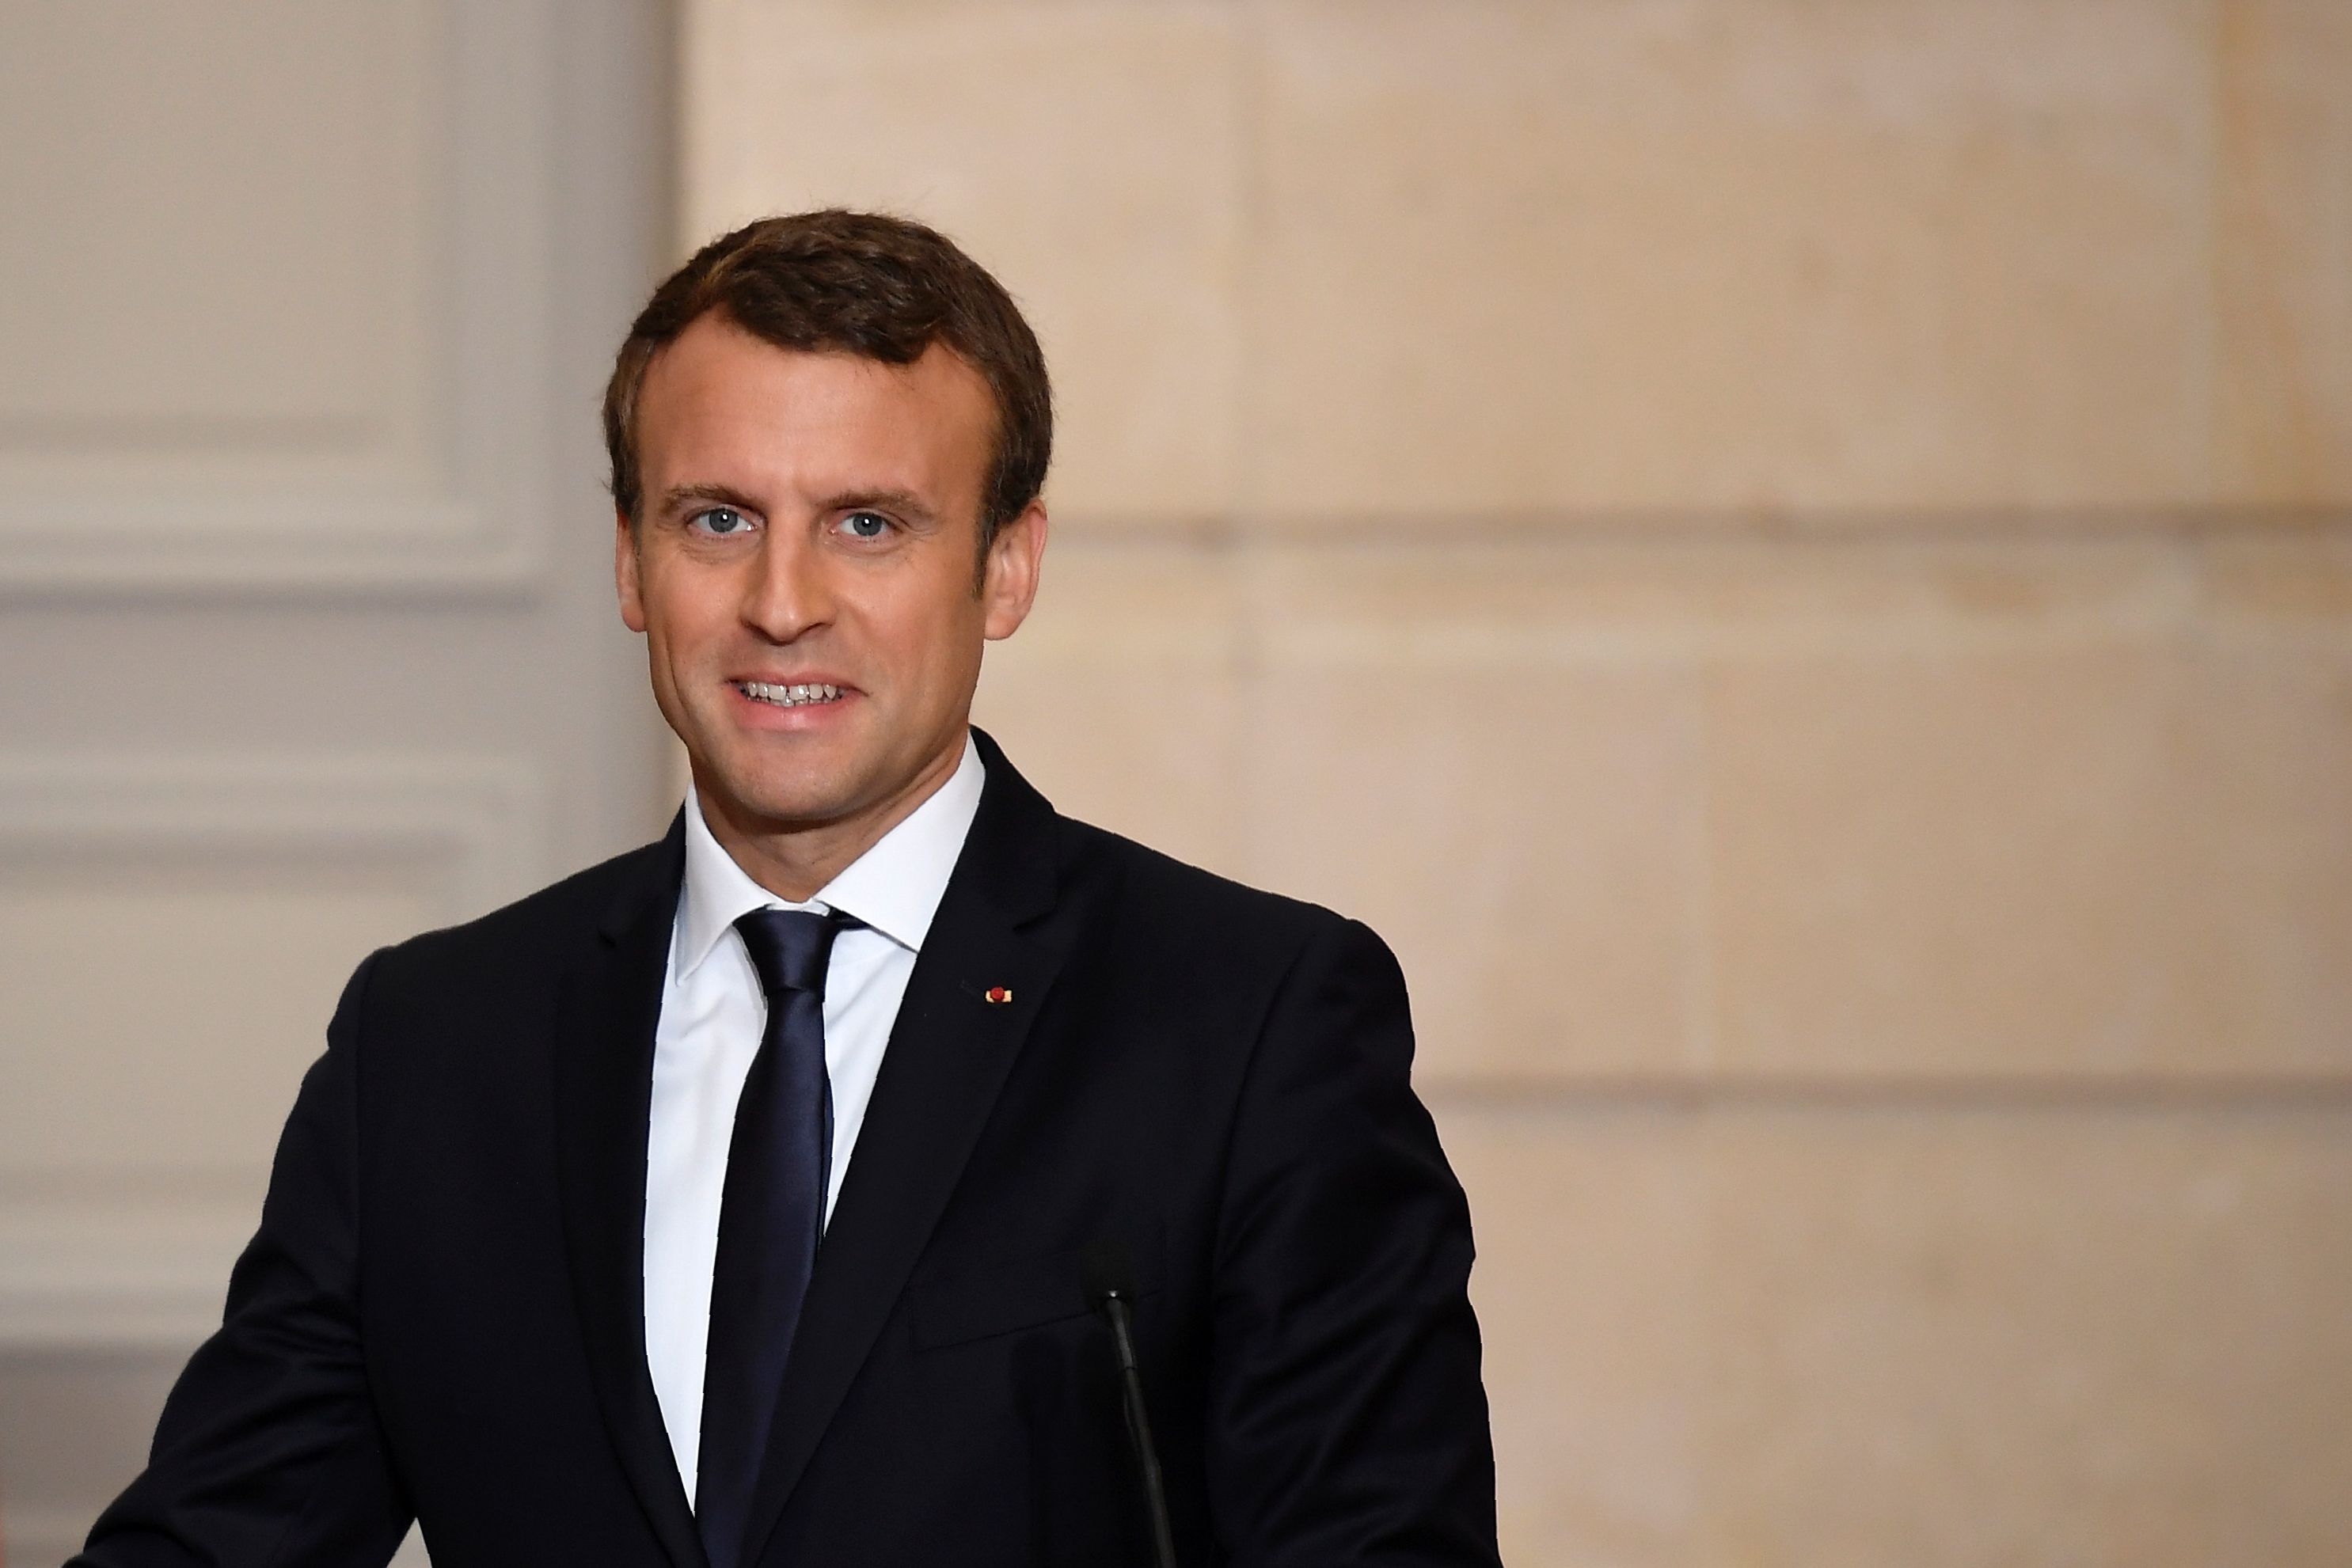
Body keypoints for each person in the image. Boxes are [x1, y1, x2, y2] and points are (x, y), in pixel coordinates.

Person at [75, 210, 1499, 1567]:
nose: (782, 601)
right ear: (631, 558)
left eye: (869, 525)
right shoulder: (434, 1045)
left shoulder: (1249, 1026)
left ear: (1008, 566)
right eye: (717, 520)